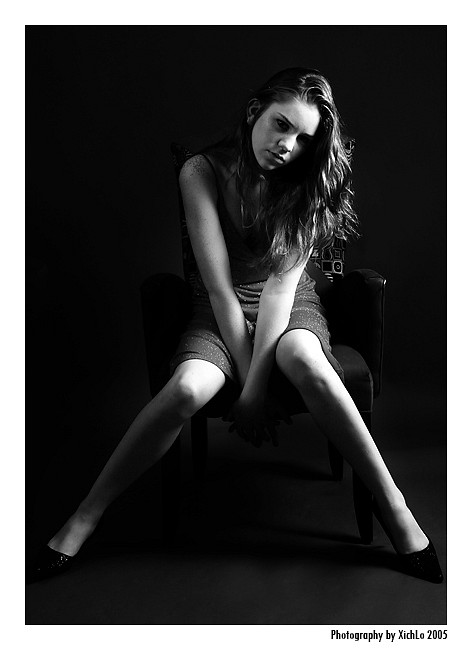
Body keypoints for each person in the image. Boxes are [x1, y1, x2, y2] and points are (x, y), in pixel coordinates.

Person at [27, 67, 443, 584]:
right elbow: (220, 288)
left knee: (305, 358)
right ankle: (84, 517)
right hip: (216, 304)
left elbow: (280, 291)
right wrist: (249, 388)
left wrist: (255, 390)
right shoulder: (200, 171)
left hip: (288, 303)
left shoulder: (308, 182)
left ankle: (396, 509)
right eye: (281, 124)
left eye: (303, 138)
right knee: (185, 389)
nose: (288, 145)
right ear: (254, 112)